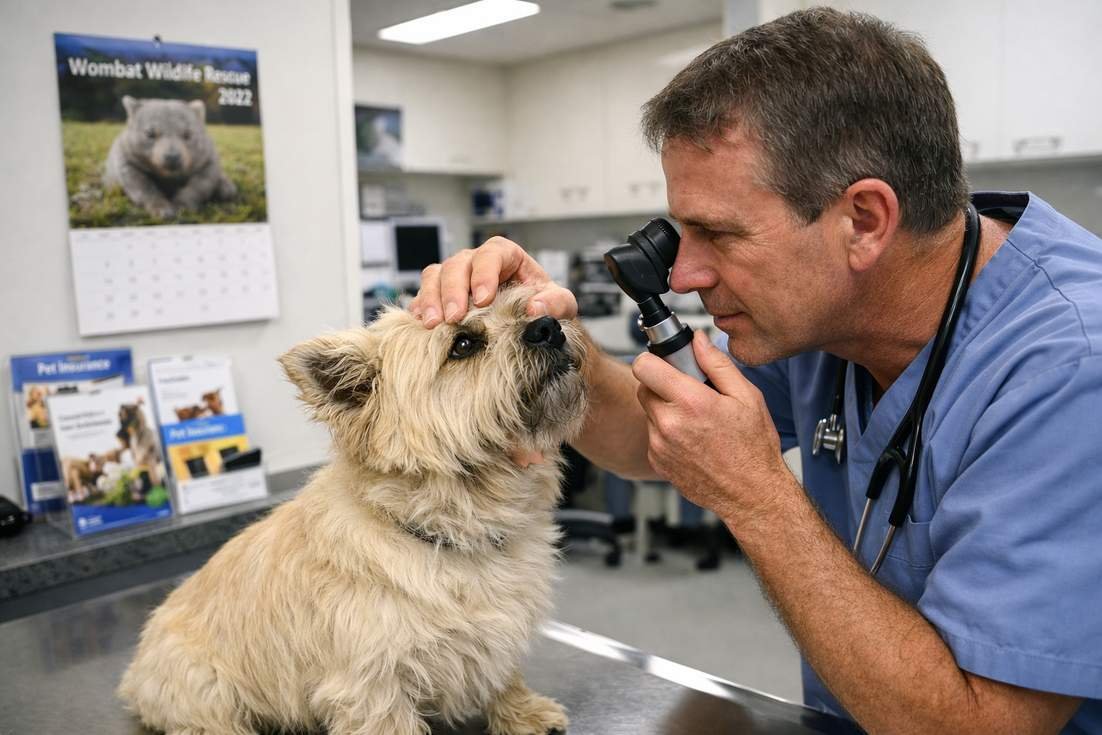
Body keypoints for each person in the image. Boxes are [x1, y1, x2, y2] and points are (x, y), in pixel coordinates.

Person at [411, 8, 1102, 733]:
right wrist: (550, 344)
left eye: (717, 233)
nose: (683, 272)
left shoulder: (1070, 370)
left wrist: (757, 497)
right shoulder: (822, 313)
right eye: (682, 232)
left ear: (865, 221)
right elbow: (649, 436)